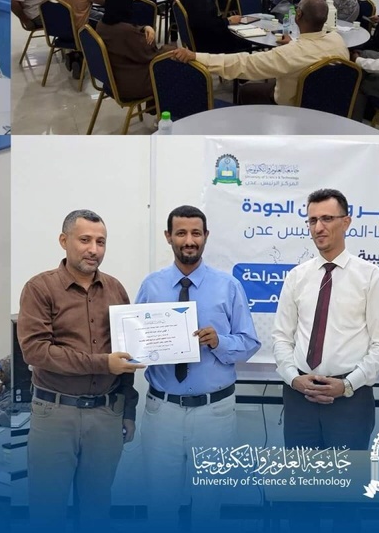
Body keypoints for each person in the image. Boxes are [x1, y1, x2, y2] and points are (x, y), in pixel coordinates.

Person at [135, 205, 260, 526]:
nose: (189, 240)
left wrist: (220, 342)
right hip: (162, 411)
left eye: (195, 233)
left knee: (208, 507)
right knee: (159, 505)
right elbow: (135, 341)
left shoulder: (228, 286)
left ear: (206, 236)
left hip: (214, 413)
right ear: (168, 237)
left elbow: (249, 342)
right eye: (181, 233)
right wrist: (139, 350)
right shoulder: (151, 286)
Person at [17, 209, 141, 525]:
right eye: (85, 240)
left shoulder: (116, 289)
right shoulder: (39, 288)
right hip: (55, 413)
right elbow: (36, 351)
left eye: (101, 242)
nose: (93, 249)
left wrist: (128, 410)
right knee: (47, 510)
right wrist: (103, 363)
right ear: (64, 240)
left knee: (97, 510)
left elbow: (126, 356)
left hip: (107, 415)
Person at [272, 189, 379, 450]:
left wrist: (348, 385)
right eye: (312, 220)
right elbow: (281, 337)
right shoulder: (296, 277)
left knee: (347, 475)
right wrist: (293, 378)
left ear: (346, 222)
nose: (318, 227)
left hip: (350, 400)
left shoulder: (370, 277)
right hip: (300, 398)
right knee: (300, 473)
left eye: (327, 218)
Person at [171, 0, 349, 105]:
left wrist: (195, 56)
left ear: (299, 15)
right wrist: (294, 42)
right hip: (328, 105)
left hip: (293, 108)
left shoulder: (289, 55)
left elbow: (243, 64)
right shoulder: (338, 41)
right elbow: (312, 49)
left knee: (247, 91)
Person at [96, 0, 169, 104]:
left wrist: (144, 27)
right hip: (131, 84)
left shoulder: (101, 25)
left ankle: (155, 108)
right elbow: (149, 54)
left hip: (113, 79)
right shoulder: (126, 32)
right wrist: (169, 49)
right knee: (173, 62)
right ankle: (164, 110)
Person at [181, 0, 253, 54]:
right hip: (207, 43)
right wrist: (228, 21)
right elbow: (208, 24)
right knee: (243, 40)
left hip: (197, 38)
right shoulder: (200, 3)